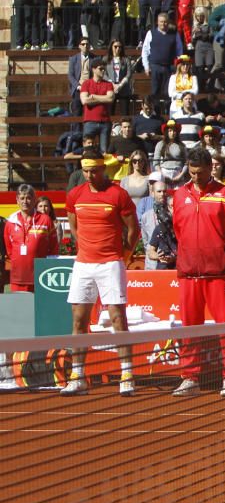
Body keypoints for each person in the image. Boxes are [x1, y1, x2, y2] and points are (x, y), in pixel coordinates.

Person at [62, 152, 140, 397]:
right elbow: (73, 226)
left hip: (110, 264)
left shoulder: (118, 194)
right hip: (83, 264)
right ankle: (78, 376)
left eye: (93, 171)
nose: (89, 176)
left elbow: (133, 230)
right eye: (85, 171)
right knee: (78, 321)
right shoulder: (75, 194)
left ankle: (127, 374)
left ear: (102, 168)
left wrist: (123, 256)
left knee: (118, 318)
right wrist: (85, 246)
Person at [171, 148, 225, 398]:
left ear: (210, 168)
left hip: (218, 274)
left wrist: (220, 253)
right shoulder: (179, 195)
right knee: (189, 328)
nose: (196, 177)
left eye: (200, 173)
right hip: (189, 274)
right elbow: (178, 230)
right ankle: (190, 377)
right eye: (192, 173)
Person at [4, 185, 58, 292]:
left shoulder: (45, 220)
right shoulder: (10, 222)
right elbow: (9, 249)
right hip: (18, 277)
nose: (25, 201)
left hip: (40, 274)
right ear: (17, 200)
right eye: (22, 198)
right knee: (19, 307)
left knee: (38, 308)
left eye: (28, 198)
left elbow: (53, 247)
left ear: (34, 200)